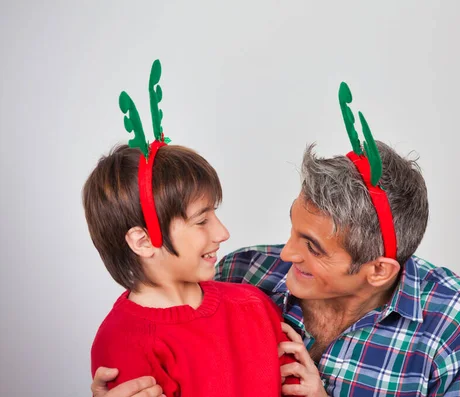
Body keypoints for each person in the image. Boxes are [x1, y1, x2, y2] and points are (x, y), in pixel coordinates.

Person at [91, 83, 460, 396]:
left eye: (313, 247)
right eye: (293, 230)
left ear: (377, 270)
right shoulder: (240, 273)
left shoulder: (447, 317)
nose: (284, 254)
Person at [84, 60, 299, 397]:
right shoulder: (122, 343)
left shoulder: (254, 305)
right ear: (142, 241)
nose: (222, 232)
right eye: (202, 220)